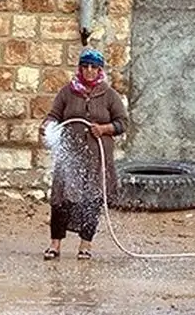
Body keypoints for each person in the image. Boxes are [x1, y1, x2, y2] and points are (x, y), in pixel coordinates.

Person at [38, 48, 129, 261]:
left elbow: (122, 123)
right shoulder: (67, 92)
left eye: (93, 67)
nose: (89, 71)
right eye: (85, 66)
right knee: (61, 199)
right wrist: (48, 126)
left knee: (92, 199)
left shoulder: (109, 95)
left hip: (97, 158)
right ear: (80, 68)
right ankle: (55, 245)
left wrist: (104, 129)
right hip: (70, 156)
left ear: (99, 70)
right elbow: (54, 116)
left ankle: (85, 246)